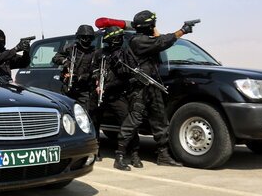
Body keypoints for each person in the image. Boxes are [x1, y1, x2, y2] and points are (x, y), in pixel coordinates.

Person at [116, 10, 194, 169]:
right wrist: (182, 31)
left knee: (160, 121)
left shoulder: (146, 40)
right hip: (139, 88)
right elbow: (162, 42)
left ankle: (163, 155)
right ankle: (120, 155)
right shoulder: (138, 41)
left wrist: (155, 29)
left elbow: (159, 40)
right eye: (152, 24)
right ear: (148, 25)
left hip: (153, 87)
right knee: (133, 121)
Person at [92, 25, 142, 167]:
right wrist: (96, 80)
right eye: (118, 38)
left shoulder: (124, 54)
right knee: (94, 122)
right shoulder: (100, 53)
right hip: (100, 93)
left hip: (117, 94)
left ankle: (134, 154)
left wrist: (108, 86)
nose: (121, 40)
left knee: (128, 123)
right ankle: (96, 151)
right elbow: (94, 70)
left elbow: (126, 75)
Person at [52, 25, 98, 136]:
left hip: (84, 90)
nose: (86, 40)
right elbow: (55, 58)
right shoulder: (70, 48)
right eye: (84, 37)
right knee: (64, 114)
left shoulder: (95, 52)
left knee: (85, 116)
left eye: (89, 38)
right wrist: (65, 61)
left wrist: (82, 77)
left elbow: (96, 71)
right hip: (68, 87)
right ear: (79, 37)